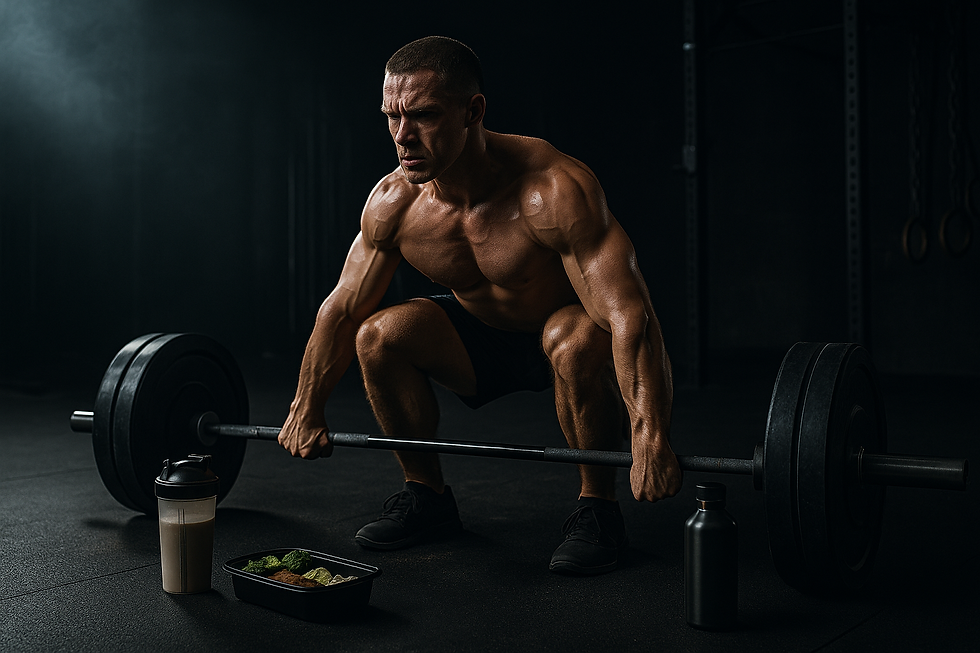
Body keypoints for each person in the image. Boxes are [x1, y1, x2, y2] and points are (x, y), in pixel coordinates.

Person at [279, 36, 682, 575]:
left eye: (423, 115)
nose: (403, 136)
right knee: (376, 334)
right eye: (392, 117)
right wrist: (306, 405)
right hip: (480, 336)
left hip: (567, 338)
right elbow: (342, 308)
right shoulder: (395, 203)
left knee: (576, 335)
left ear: (474, 111)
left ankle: (597, 509)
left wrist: (649, 434)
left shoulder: (553, 189)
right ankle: (427, 498)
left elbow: (629, 316)